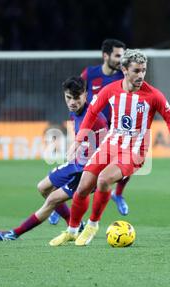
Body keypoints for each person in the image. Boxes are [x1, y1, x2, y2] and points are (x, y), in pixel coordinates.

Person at [49, 49, 170, 247]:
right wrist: (79, 139)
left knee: (104, 179)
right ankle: (72, 231)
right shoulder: (111, 90)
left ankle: (92, 225)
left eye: (143, 70)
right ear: (124, 70)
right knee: (82, 188)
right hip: (111, 143)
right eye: (136, 71)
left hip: (135, 150)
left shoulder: (153, 95)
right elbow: (92, 111)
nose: (141, 75)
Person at [0, 76, 108, 241]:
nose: (72, 102)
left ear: (85, 95)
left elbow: (105, 145)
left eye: (77, 98)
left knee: (53, 199)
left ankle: (14, 234)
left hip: (88, 170)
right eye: (68, 97)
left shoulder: (94, 118)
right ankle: (75, 224)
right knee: (43, 188)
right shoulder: (75, 112)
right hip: (76, 164)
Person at [48, 39, 130, 225]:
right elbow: (75, 90)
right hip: (90, 126)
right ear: (105, 56)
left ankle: (118, 195)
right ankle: (59, 203)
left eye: (123, 56)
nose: (121, 59)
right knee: (79, 166)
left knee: (125, 162)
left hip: (112, 127)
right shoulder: (90, 74)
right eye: (118, 55)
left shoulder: (122, 77)